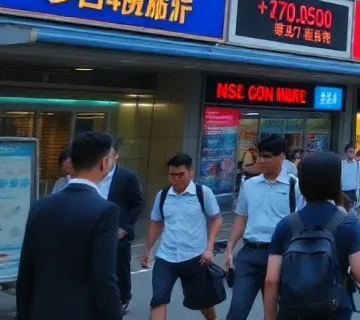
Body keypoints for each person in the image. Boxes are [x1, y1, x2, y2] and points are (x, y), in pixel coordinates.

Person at [16, 131, 122, 320]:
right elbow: (104, 278)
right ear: (104, 162)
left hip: (41, 311)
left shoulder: (41, 206)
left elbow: (26, 271)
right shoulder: (105, 211)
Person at [263, 152, 360, 320]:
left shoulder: (287, 224)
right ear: (335, 182)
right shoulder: (347, 223)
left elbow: (271, 280)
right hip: (334, 312)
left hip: (293, 313)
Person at [223, 134, 299, 320]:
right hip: (249, 254)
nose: (261, 161)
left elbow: (300, 223)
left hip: (279, 255)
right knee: (236, 312)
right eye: (259, 156)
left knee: (274, 313)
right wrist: (230, 247)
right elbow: (241, 217)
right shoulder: (249, 185)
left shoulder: (294, 186)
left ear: (281, 157)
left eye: (267, 157)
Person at [140, 154, 223, 320]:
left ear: (190, 173)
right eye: (172, 175)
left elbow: (216, 219)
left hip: (195, 258)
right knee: (158, 300)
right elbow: (156, 223)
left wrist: (209, 248)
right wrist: (147, 250)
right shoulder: (162, 196)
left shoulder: (202, 193)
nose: (176, 179)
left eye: (180, 175)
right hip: (166, 257)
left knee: (203, 302)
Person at [101, 143, 144, 315]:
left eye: (108, 156)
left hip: (119, 232)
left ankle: (124, 298)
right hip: (98, 229)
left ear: (115, 156)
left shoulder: (126, 177)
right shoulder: (94, 175)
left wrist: (124, 228)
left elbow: (137, 204)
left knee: (120, 266)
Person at [341, 145, 360, 210]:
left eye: (351, 151)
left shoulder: (358, 164)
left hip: (354, 193)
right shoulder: (341, 164)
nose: (349, 153)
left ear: (354, 152)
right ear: (345, 153)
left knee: (353, 214)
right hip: (343, 193)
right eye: (347, 151)